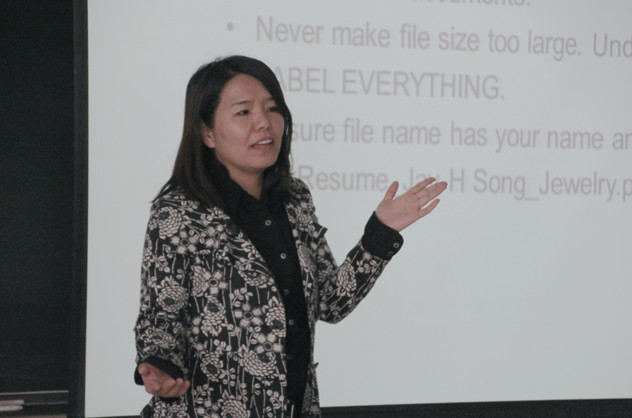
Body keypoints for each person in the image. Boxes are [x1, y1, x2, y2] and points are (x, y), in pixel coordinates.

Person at [134, 55, 447, 418]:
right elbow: (159, 316)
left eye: (272, 108)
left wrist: (381, 232)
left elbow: (330, 303)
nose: (264, 123)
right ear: (207, 133)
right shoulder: (179, 211)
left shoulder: (295, 199)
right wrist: (158, 364)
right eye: (243, 112)